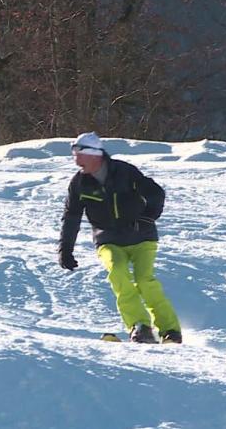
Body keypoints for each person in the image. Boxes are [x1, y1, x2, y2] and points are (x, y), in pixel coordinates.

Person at [58, 132, 182, 344]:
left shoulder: (124, 172)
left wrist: (147, 218)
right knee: (118, 274)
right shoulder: (79, 183)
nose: (76, 160)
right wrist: (65, 249)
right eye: (74, 155)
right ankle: (139, 326)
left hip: (142, 237)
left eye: (80, 155)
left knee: (145, 280)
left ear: (94, 155)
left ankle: (170, 330)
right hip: (108, 240)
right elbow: (71, 217)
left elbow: (155, 193)